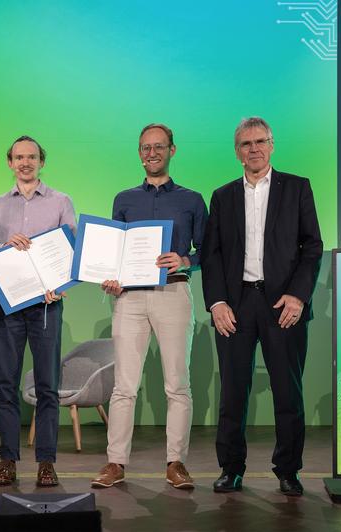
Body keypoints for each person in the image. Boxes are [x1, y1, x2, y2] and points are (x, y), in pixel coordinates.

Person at [201, 117, 322, 496]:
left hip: (282, 302)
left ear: (272, 145)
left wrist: (299, 296)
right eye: (245, 144)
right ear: (237, 152)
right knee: (233, 392)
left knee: (288, 392)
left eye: (260, 142)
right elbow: (213, 254)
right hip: (236, 304)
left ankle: (288, 470)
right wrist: (217, 302)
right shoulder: (222, 196)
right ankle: (231, 469)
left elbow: (312, 246)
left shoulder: (298, 188)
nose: (253, 149)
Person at [91, 124, 208, 490]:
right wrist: (111, 277)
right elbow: (115, 251)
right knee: (124, 386)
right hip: (129, 298)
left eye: (159, 147)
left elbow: (209, 251)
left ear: (173, 150)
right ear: (139, 153)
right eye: (145, 148)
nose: (151, 153)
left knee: (178, 385)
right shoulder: (123, 199)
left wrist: (186, 260)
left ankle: (176, 462)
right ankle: (115, 463)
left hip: (173, 294)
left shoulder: (192, 199)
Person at [0, 135, 76, 487]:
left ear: (41, 161)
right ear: (10, 162)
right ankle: (7, 459)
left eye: (31, 157)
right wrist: (5, 246)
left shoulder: (61, 201)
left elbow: (70, 252)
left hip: (46, 305)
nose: (25, 162)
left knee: (48, 386)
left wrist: (60, 284)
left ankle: (46, 461)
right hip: (8, 304)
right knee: (5, 384)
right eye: (19, 157)